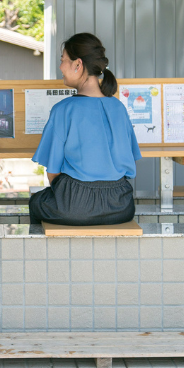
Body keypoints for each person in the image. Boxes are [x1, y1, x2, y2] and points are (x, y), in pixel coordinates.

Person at [29, 33, 142, 226]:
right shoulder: (118, 107)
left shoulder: (63, 110)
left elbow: (53, 174)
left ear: (78, 65)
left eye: (63, 60)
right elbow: (129, 164)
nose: (60, 67)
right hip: (121, 204)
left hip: (74, 205)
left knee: (35, 201)